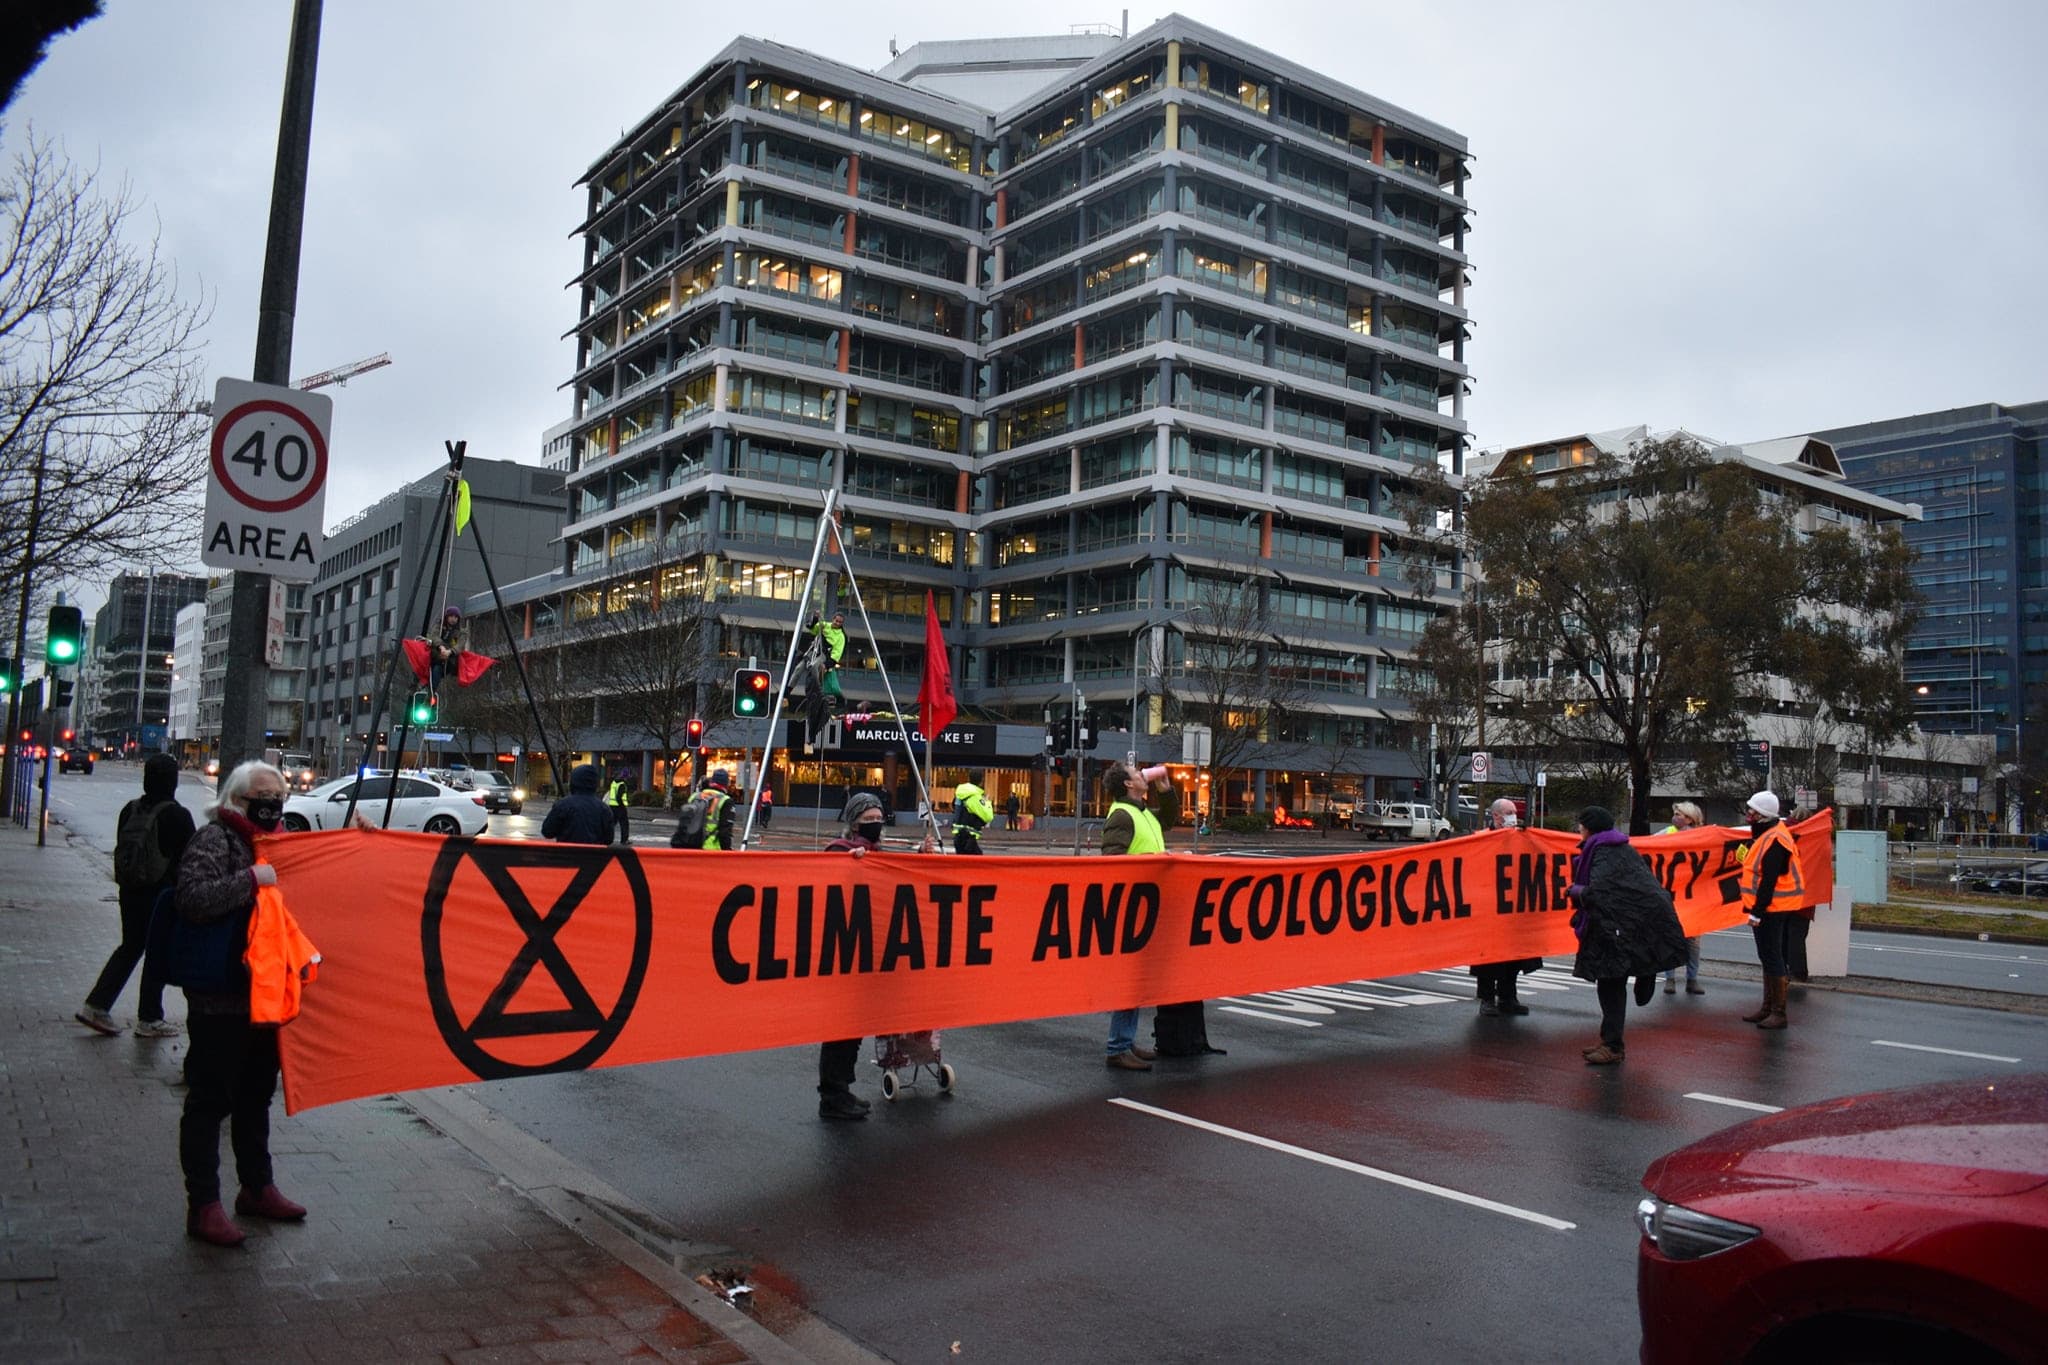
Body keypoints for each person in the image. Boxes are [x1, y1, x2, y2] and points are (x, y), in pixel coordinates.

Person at [173, 761, 307, 1247]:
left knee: (254, 1096)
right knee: (211, 1101)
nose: (272, 804)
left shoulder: (278, 840)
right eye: (261, 796)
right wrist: (252, 880)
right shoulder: (216, 840)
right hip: (221, 998)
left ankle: (256, 1187)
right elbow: (192, 898)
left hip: (264, 996)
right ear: (236, 799)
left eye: (278, 795)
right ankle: (203, 1204)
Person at [79, 753, 196, 1037]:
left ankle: (97, 1003)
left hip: (130, 891)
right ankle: (150, 1017)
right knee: (156, 953)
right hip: (161, 895)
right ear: (172, 781)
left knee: (130, 946)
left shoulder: (129, 810)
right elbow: (190, 857)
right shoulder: (177, 815)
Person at [1567, 806, 1689, 1066]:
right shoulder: (1616, 848)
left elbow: (1599, 891)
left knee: (1610, 983)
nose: (1578, 829)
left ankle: (1612, 1045)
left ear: (1589, 828)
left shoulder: (1604, 851)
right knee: (1611, 981)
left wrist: (1576, 891)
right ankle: (1610, 1038)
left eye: (1581, 824)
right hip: (1630, 923)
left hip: (1620, 927)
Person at [815, 794, 889, 1120]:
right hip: (842, 955)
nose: (875, 824)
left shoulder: (876, 854)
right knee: (840, 1029)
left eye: (879, 818)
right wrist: (851, 865)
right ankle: (831, 1097)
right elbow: (827, 886)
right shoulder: (839, 851)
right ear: (855, 822)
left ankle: (842, 1089)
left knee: (854, 1028)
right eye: (869, 819)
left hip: (864, 957)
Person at [1738, 791, 1805, 1030]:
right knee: (1767, 956)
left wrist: (1757, 911)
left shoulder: (1775, 839)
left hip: (1775, 907)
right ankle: (1768, 1007)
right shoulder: (1766, 835)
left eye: (1752, 810)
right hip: (1771, 906)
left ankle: (1779, 1012)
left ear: (1763, 814)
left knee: (1773, 956)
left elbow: (1769, 880)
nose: (1748, 814)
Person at [1471, 798, 1542, 1016]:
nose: (1514, 816)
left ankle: (1508, 997)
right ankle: (1487, 999)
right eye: (1509, 812)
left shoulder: (1521, 838)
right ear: (1496, 816)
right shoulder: (1482, 838)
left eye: (1514, 812)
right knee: (1489, 959)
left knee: (1513, 956)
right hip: (1489, 909)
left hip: (1514, 909)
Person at [1658, 802, 1708, 996]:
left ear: (1690, 819)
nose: (1675, 817)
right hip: (1671, 895)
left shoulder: (1702, 837)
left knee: (1693, 942)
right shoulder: (1666, 833)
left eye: (1679, 814)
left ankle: (1692, 979)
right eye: (1675, 813)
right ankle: (1670, 979)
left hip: (1693, 897)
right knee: (1671, 938)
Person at [541, 763, 614, 845]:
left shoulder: (563, 805)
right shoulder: (604, 809)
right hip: (593, 856)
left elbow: (547, 832)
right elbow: (609, 839)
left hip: (565, 856)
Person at [672, 769, 738, 851]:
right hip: (711, 849)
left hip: (689, 845)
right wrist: (727, 851)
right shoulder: (725, 800)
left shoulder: (695, 796)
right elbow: (725, 832)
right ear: (726, 784)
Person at [809, 610, 848, 712]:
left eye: (840, 622)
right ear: (833, 619)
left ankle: (835, 702)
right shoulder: (825, 625)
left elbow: (836, 654)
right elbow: (813, 629)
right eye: (836, 621)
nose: (837, 623)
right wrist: (815, 618)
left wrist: (827, 665)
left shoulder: (841, 637)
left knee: (833, 687)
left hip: (828, 661)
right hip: (816, 654)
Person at [952, 774, 995, 855]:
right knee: (976, 863)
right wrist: (987, 802)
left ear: (969, 778)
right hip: (969, 838)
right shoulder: (974, 796)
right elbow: (988, 816)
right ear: (981, 782)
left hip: (958, 836)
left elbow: (954, 807)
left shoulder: (960, 794)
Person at [606, 769, 633, 845]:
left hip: (612, 805)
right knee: (624, 823)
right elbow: (619, 797)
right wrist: (623, 805)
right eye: (628, 777)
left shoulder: (614, 782)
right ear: (626, 777)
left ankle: (605, 838)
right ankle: (624, 840)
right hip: (619, 807)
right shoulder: (622, 784)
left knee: (612, 823)